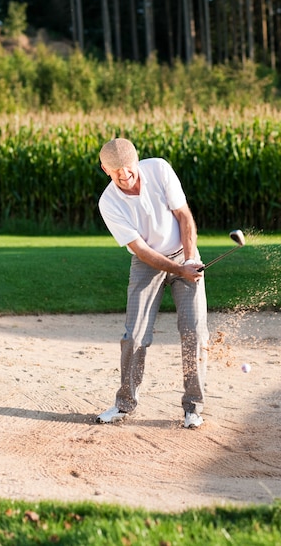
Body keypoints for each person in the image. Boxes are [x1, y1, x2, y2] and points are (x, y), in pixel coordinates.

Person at [96, 138, 209, 428]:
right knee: (133, 336)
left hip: (184, 254)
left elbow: (184, 216)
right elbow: (142, 251)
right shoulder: (108, 202)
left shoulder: (159, 169)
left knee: (193, 331)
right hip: (147, 263)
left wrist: (187, 261)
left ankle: (192, 408)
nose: (124, 174)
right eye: (116, 170)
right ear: (105, 169)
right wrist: (177, 269)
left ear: (137, 160)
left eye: (128, 167)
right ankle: (125, 404)